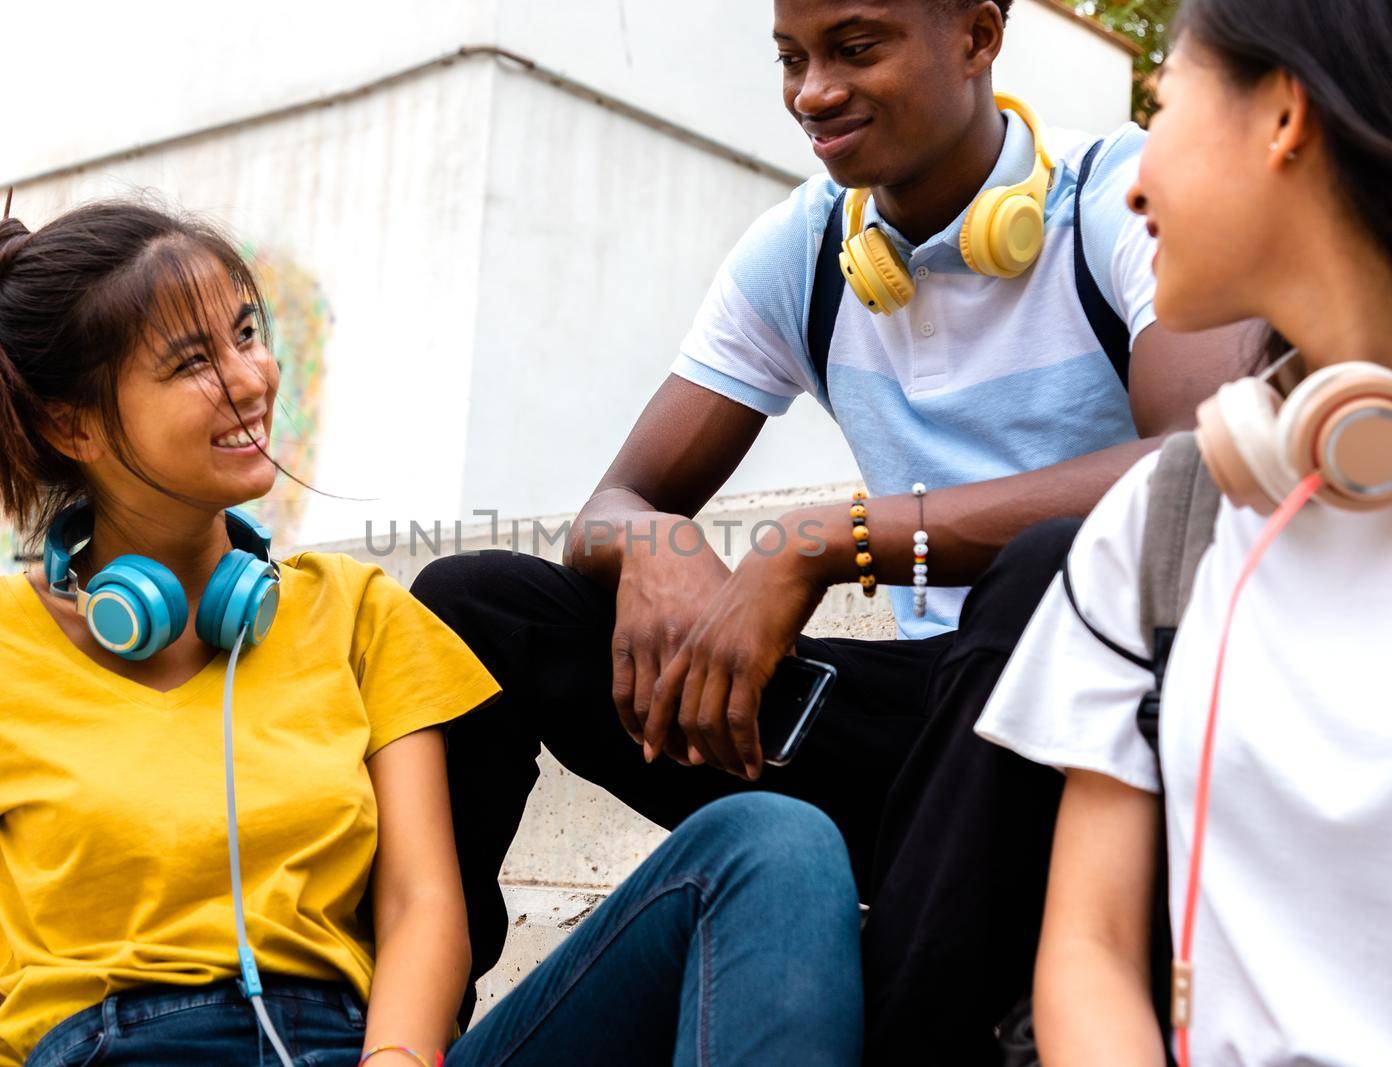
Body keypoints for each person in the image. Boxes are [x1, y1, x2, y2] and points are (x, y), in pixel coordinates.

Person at [410, 0, 1255, 1061]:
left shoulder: (1122, 195)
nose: (812, 92)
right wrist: (653, 545)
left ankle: (924, 1006)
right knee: (474, 603)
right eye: (791, 58)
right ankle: (406, 1022)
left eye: (855, 49)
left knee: (1044, 577)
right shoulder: (805, 248)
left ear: (979, 37)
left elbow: (1194, 464)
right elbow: (614, 504)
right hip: (894, 729)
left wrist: (827, 540)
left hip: (1076, 726)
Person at [0, 202, 864, 1067]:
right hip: (112, 1047)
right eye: (193, 362)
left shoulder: (360, 613)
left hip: (355, 1046)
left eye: (247, 333)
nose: (249, 379)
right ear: (71, 427)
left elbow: (421, 907)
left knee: (767, 841)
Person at [975, 0, 1392, 1063]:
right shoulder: (1166, 520)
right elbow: (1089, 948)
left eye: (1159, 107)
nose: (1132, 181)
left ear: (1282, 116)